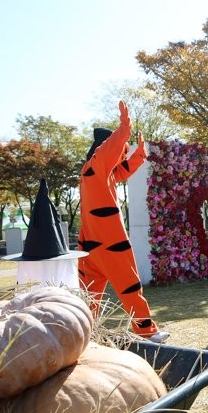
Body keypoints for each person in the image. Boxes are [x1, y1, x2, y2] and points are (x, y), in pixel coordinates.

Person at [78, 101, 168, 343]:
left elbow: (121, 171)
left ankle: (84, 333)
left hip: (91, 245)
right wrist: (123, 128)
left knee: (89, 295)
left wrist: (139, 154)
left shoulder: (96, 173)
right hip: (108, 243)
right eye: (119, 151)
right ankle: (147, 331)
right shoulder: (96, 167)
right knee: (128, 285)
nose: (120, 155)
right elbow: (109, 153)